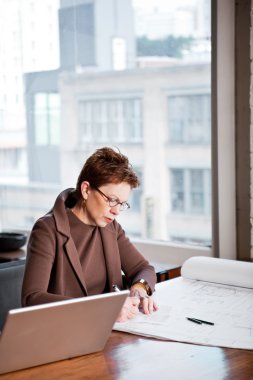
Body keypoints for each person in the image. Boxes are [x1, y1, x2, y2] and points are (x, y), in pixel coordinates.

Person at [22, 147, 158, 322]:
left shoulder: (111, 227)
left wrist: (139, 289)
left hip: (110, 331)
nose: (116, 211)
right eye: (112, 200)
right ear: (86, 190)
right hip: (64, 333)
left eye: (122, 203)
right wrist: (103, 309)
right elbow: (32, 298)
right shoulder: (47, 230)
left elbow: (143, 269)